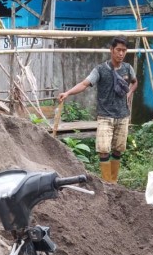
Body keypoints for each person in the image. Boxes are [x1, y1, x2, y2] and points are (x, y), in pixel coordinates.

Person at [58, 36, 137, 183]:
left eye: (124, 51)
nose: (121, 53)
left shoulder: (128, 68)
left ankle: (114, 182)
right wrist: (67, 93)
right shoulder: (100, 69)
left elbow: (134, 82)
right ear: (111, 50)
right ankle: (107, 183)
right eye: (118, 50)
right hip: (105, 116)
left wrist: (130, 92)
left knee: (118, 149)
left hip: (123, 115)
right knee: (103, 150)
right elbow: (84, 84)